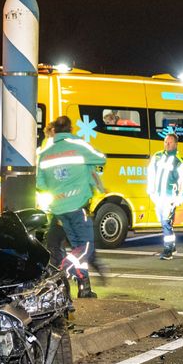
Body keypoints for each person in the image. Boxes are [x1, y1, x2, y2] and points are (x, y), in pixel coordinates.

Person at [36, 115, 107, 298]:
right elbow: (101, 159)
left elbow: (40, 183)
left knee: (77, 248)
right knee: (86, 248)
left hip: (59, 209)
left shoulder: (45, 153)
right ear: (70, 129)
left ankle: (85, 289)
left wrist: (59, 188)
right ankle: (65, 268)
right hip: (78, 207)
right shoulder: (78, 147)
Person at [147, 132, 183, 260]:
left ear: (176, 144)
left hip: (170, 198)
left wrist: (180, 198)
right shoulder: (157, 156)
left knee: (166, 222)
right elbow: (151, 173)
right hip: (158, 196)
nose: (167, 144)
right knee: (164, 222)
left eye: (170, 142)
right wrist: (151, 191)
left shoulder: (179, 162)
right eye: (165, 142)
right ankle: (172, 246)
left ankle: (168, 249)